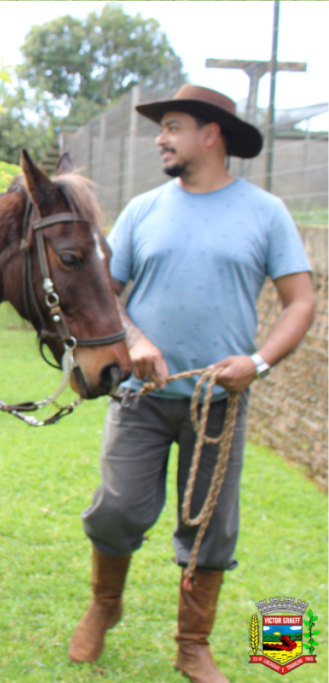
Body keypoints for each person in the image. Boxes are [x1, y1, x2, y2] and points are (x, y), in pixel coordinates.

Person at [67, 85, 316, 683]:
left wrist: (257, 363)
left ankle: (192, 646)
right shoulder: (143, 210)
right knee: (116, 510)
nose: (160, 139)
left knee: (209, 528)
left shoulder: (265, 213)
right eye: (163, 128)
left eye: (173, 127)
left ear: (211, 134)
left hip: (218, 404)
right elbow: (106, 297)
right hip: (141, 398)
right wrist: (136, 341)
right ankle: (105, 605)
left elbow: (301, 302)